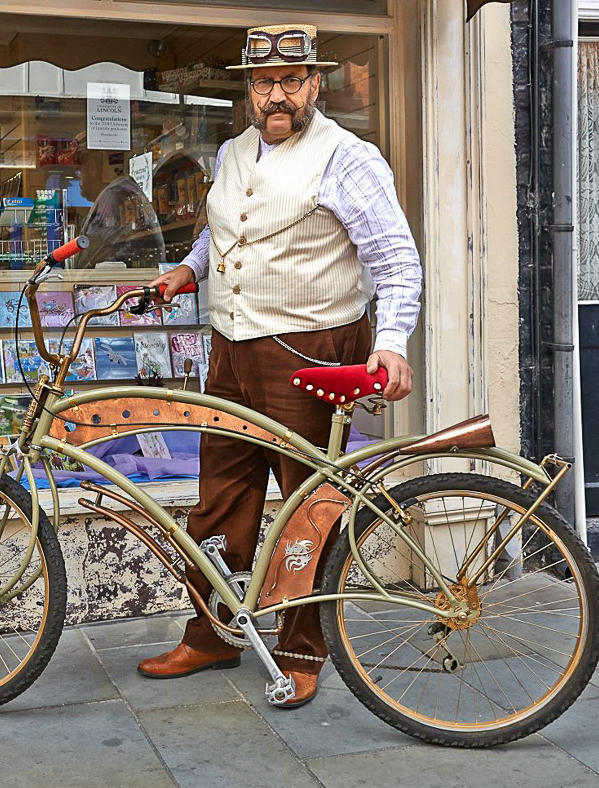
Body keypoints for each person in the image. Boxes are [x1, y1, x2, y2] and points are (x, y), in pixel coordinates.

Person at [142, 23, 423, 707]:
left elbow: (394, 258)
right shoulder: (236, 149)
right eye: (264, 83)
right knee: (220, 497)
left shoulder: (347, 157)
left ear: (314, 85)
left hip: (309, 350)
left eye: (290, 82)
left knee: (306, 506)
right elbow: (225, 227)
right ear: (247, 88)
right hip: (232, 349)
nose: (277, 96)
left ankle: (303, 647)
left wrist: (390, 342)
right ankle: (212, 634)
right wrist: (187, 269)